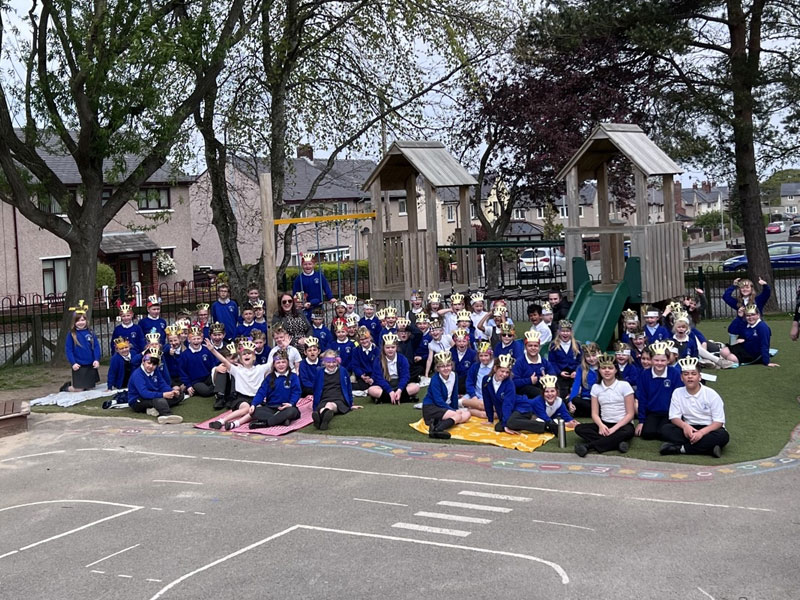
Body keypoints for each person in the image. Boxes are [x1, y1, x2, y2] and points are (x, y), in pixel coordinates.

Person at [659, 357, 730, 457]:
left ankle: (681, 449)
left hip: (709, 429)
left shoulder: (711, 394)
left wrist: (701, 433)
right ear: (681, 377)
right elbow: (674, 417)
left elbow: (718, 422)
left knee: (723, 436)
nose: (690, 377)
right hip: (689, 428)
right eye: (686, 374)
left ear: (699, 377)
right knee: (666, 429)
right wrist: (685, 426)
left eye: (693, 374)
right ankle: (709, 449)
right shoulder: (677, 392)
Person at [574, 353, 635, 456]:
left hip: (622, 425)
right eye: (603, 368)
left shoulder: (624, 385)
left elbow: (630, 414)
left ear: (615, 370)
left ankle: (589, 446)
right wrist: (601, 425)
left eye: (610, 368)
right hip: (605, 423)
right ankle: (617, 443)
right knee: (579, 428)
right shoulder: (596, 387)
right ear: (599, 370)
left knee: (626, 432)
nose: (606, 371)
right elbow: (594, 413)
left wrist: (613, 429)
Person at [204, 339, 271, 430]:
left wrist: (284, 347)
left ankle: (235, 424)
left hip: (257, 398)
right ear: (240, 358)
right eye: (244, 354)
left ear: (254, 357)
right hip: (242, 398)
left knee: (256, 410)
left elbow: (275, 361)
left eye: (249, 353)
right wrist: (212, 350)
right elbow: (224, 360)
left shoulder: (261, 368)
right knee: (246, 408)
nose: (246, 355)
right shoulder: (237, 370)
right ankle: (222, 421)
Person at [635, 341, 683, 440]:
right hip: (652, 412)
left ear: (668, 360)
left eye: (663, 360)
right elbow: (642, 398)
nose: (659, 363)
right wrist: (641, 421)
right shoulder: (645, 374)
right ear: (651, 360)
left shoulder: (674, 373)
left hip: (670, 412)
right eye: (656, 360)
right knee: (647, 434)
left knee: (663, 433)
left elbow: (680, 396)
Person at [127, 347, 184, 424]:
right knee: (160, 400)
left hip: (153, 395)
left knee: (180, 394)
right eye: (149, 363)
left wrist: (172, 391)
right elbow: (144, 393)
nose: (151, 366)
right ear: (143, 361)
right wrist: (163, 394)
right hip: (138, 400)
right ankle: (167, 415)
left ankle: (154, 408)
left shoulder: (155, 370)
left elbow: (162, 384)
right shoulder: (137, 374)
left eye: (154, 364)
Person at [248, 349, 302, 428]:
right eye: (278, 363)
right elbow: (261, 392)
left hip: (287, 407)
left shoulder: (293, 377)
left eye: (283, 362)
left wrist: (291, 403)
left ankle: (266, 423)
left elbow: (296, 392)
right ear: (274, 364)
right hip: (271, 407)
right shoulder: (269, 377)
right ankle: (282, 420)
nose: (281, 365)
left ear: (288, 363)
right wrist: (254, 404)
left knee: (292, 412)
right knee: (255, 412)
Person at [424, 351, 471, 439]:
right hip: (432, 407)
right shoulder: (435, 379)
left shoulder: (454, 375)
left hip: (445, 406)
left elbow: (454, 395)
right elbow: (438, 401)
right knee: (457, 415)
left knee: (467, 415)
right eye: (442, 366)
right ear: (437, 368)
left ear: (451, 366)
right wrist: (453, 411)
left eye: (448, 365)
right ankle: (437, 429)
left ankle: (438, 423)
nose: (446, 368)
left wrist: (455, 408)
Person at [312, 349, 360, 430]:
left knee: (330, 405)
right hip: (324, 398)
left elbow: (348, 387)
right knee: (324, 406)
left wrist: (351, 403)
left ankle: (321, 418)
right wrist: (314, 405)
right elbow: (316, 389)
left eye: (333, 362)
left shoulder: (343, 371)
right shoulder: (319, 372)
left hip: (339, 398)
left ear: (337, 362)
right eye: (328, 362)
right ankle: (322, 420)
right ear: (324, 362)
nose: (331, 364)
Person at [368, 333, 420, 404]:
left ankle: (384, 399)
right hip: (385, 385)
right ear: (383, 348)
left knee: (416, 387)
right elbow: (379, 378)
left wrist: (399, 390)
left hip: (399, 384)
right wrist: (390, 391)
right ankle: (404, 398)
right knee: (371, 390)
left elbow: (405, 376)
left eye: (393, 347)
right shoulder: (378, 360)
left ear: (396, 347)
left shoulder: (402, 359)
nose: (390, 350)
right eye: (387, 347)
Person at [63, 300, 101, 392]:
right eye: (78, 320)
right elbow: (69, 350)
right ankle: (66, 388)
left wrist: (96, 359)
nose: (81, 322)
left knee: (90, 388)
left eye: (83, 320)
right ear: (74, 322)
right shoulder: (71, 334)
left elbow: (96, 347)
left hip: (90, 364)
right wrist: (73, 363)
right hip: (79, 365)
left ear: (86, 320)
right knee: (79, 389)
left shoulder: (90, 332)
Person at [722, 277, 771, 344]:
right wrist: (733, 286)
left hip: (756, 329)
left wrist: (765, 285)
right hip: (743, 330)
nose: (745, 289)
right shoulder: (738, 303)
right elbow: (726, 296)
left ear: (751, 289)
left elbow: (766, 293)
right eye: (742, 288)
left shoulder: (758, 300)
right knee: (732, 330)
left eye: (747, 287)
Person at [512, 330, 556, 398]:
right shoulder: (519, 362)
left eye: (535, 346)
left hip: (542, 388)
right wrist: (529, 380)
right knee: (539, 393)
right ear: (525, 347)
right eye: (530, 346)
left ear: (539, 347)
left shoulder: (544, 362)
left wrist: (546, 378)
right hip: (524, 391)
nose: (533, 348)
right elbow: (514, 382)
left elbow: (553, 375)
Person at [481, 353, 517, 432]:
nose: (504, 374)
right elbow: (487, 401)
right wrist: (490, 419)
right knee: (498, 428)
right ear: (495, 368)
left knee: (508, 425)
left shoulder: (509, 384)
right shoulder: (486, 380)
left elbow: (507, 404)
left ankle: (545, 426)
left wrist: (505, 424)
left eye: (507, 372)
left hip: (515, 410)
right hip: (503, 414)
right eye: (502, 371)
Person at [292, 252, 335, 318]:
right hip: (306, 308)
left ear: (314, 264)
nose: (308, 266)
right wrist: (301, 304)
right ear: (302, 265)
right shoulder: (299, 279)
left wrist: (331, 297)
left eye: (310, 264)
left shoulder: (319, 276)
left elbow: (326, 288)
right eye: (305, 264)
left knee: (318, 323)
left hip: (318, 306)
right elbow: (296, 293)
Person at [548, 319, 581, 401]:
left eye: (567, 331)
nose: (565, 333)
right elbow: (552, 362)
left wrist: (576, 371)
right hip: (560, 375)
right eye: (563, 331)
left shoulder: (576, 345)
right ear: (558, 332)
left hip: (574, 375)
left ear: (571, 332)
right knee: (561, 393)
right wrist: (559, 372)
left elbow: (580, 361)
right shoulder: (553, 345)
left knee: (576, 392)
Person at [179, 326, 216, 397]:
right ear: (189, 340)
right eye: (194, 339)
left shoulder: (206, 350)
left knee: (220, 381)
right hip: (195, 381)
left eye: (198, 338)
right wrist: (188, 385)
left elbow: (213, 364)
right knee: (206, 392)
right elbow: (182, 372)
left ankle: (216, 389)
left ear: (202, 339)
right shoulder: (184, 355)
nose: (196, 341)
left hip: (208, 377)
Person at [462, 341, 494, 419]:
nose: (483, 358)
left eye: (486, 355)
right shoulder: (475, 366)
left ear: (491, 355)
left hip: (490, 397)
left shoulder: (495, 367)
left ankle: (468, 409)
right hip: (476, 395)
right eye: (481, 356)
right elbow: (469, 382)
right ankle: (468, 405)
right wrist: (473, 395)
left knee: (485, 412)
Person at [569, 342, 601, 417]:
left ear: (599, 353)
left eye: (594, 355)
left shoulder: (603, 367)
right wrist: (570, 401)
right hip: (586, 399)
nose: (591, 359)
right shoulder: (581, 368)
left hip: (600, 400)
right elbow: (576, 385)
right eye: (588, 356)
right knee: (574, 400)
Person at [450, 328, 477, 395]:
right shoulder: (451, 352)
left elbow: (474, 371)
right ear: (455, 342)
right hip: (454, 377)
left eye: (464, 341)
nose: (461, 344)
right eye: (459, 341)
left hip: (467, 379)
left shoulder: (473, 353)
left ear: (468, 342)